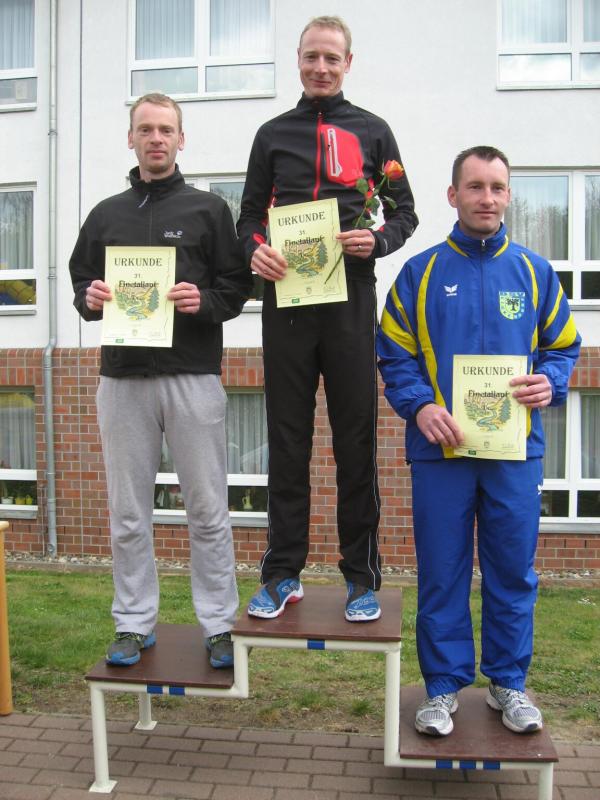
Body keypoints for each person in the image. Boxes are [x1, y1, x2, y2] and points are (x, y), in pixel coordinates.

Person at [377, 145, 580, 735]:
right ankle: (442, 689)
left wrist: (552, 381)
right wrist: (420, 406)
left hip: (515, 452)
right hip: (441, 451)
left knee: (512, 572)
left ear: (508, 195)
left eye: (496, 187)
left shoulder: (536, 273)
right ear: (453, 195)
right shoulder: (419, 274)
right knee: (442, 571)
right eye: (474, 187)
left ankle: (508, 684)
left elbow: (563, 346)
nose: (486, 198)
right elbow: (394, 355)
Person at [237, 15, 418, 622]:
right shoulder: (271, 134)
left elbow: (405, 212)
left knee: (355, 439)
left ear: (348, 63)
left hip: (350, 297)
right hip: (286, 301)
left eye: (331, 59)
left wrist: (379, 240)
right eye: (311, 57)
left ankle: (361, 578)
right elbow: (247, 219)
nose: (321, 68)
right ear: (297, 60)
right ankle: (282, 573)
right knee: (287, 441)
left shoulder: (374, 131)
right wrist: (255, 251)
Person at [69, 93, 252, 669]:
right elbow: (81, 283)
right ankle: (132, 622)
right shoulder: (105, 215)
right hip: (123, 381)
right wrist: (91, 297)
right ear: (131, 138)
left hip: (192, 377)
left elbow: (237, 286)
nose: (155, 138)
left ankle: (220, 625)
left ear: (180, 139)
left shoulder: (209, 210)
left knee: (208, 508)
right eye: (145, 129)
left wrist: (205, 301)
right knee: (128, 513)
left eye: (165, 129)